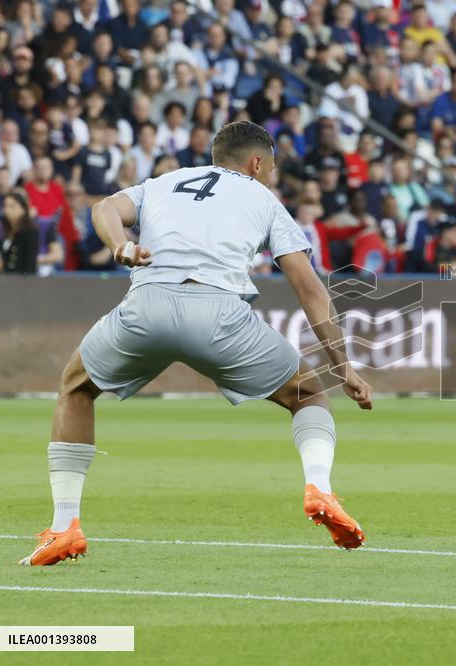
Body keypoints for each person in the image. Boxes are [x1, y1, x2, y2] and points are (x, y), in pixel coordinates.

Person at [20, 121, 373, 567]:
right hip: (220, 315)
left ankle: (64, 525)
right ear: (257, 163)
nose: (271, 177)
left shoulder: (164, 182)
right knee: (308, 393)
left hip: (148, 304)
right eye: (272, 169)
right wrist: (343, 367)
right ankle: (319, 488)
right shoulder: (265, 199)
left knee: (75, 388)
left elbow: (104, 208)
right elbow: (310, 289)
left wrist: (121, 246)